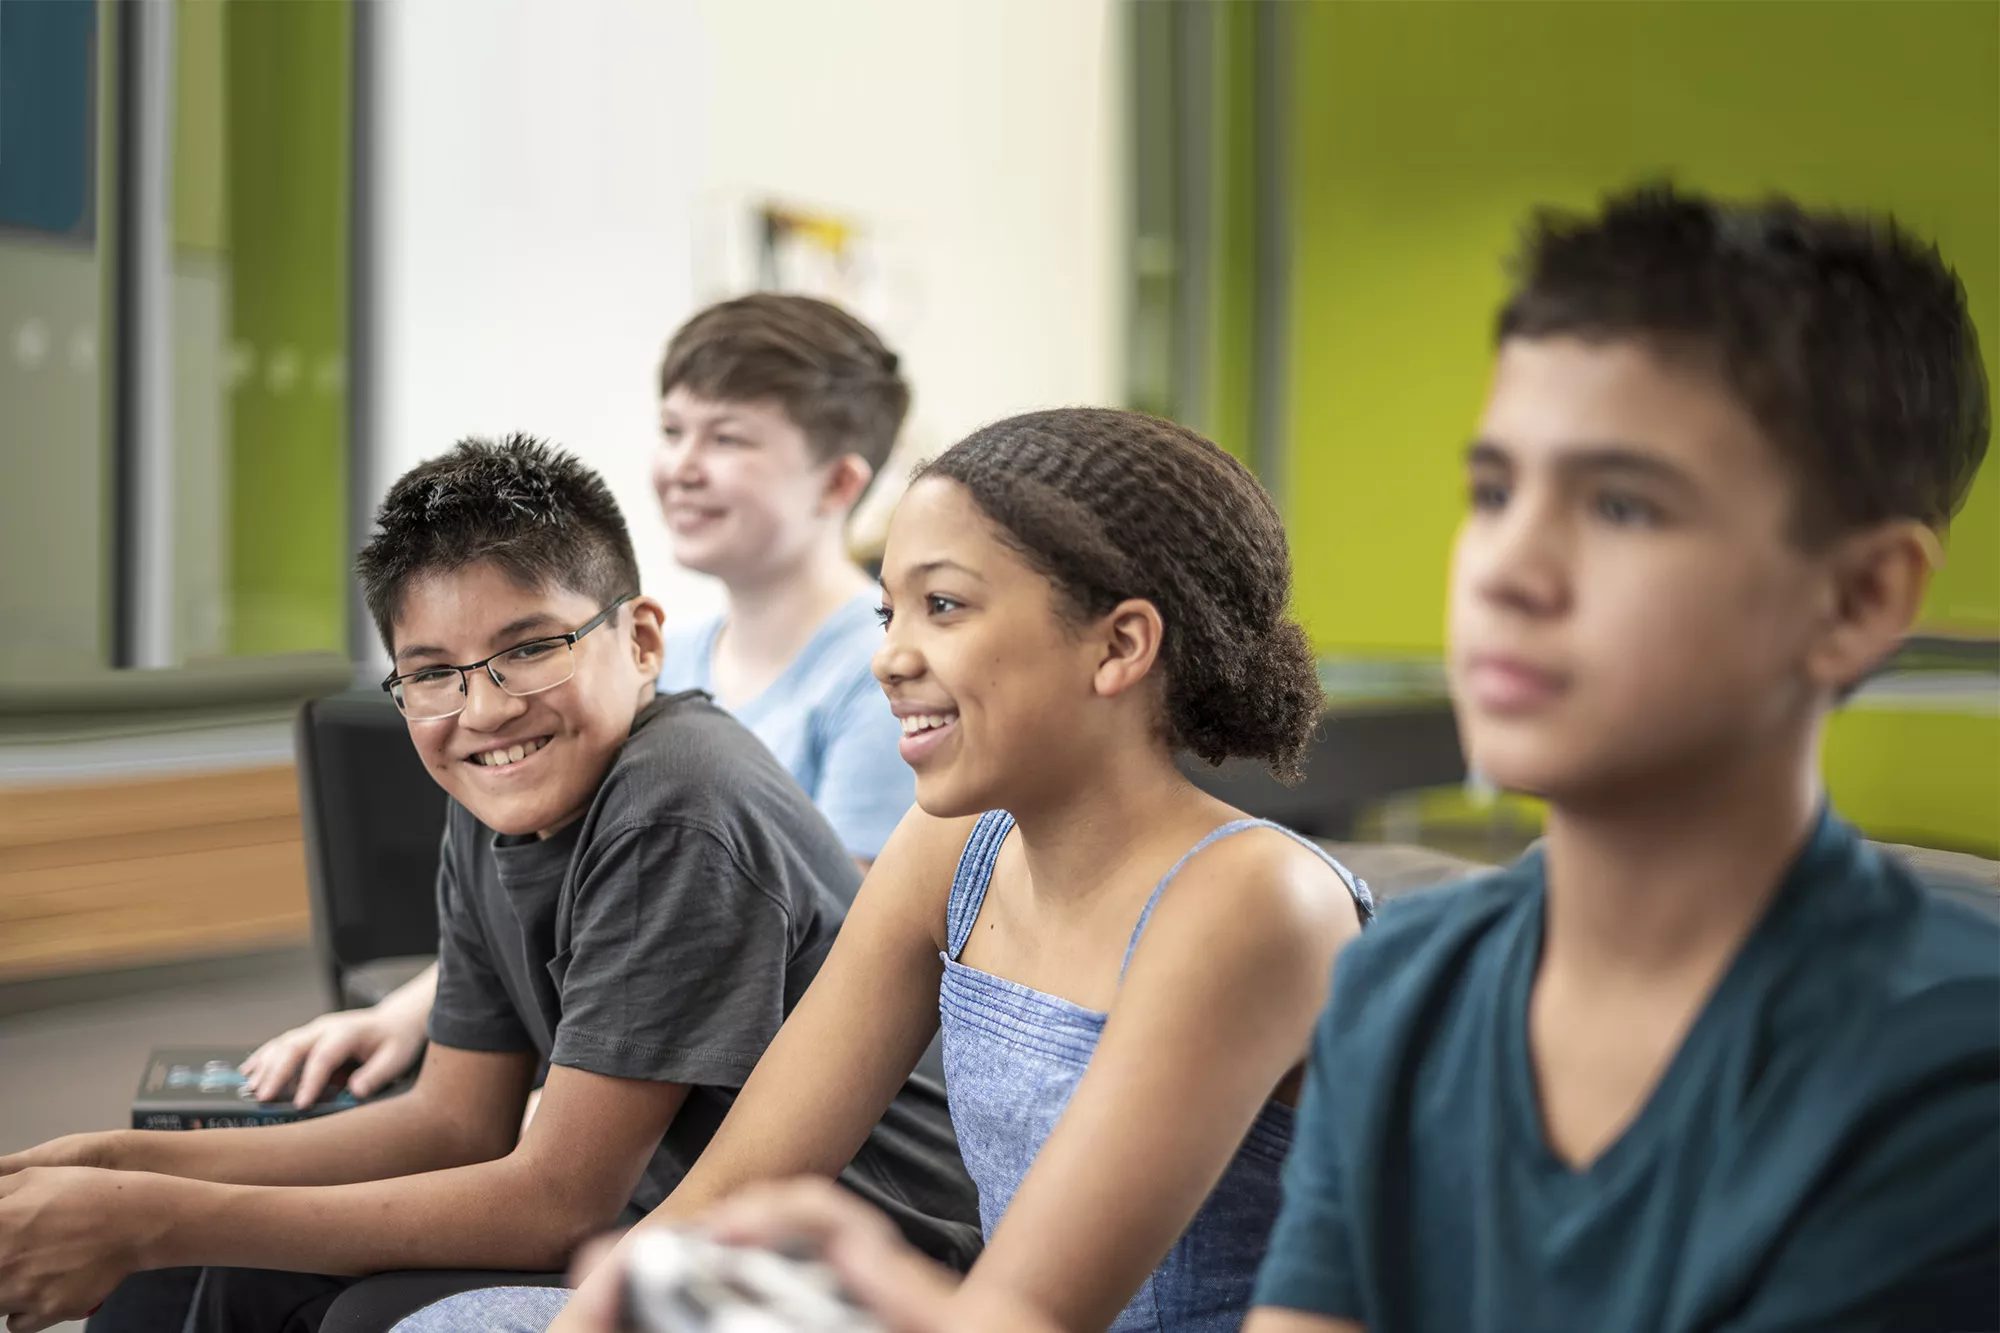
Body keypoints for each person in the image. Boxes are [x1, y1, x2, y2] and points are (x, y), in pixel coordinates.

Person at [390, 407, 1373, 1333]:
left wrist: (846, 1263)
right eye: (888, 612)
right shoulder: (953, 845)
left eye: (941, 606)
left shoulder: (1253, 901)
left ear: (1117, 644)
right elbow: (726, 1193)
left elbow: (1029, 1317)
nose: (888, 661)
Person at [0, 436, 977, 1333]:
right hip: (646, 1210)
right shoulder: (490, 800)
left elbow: (559, 1203)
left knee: (328, 1303)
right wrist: (117, 1167)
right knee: (189, 1271)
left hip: (838, 1258)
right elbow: (452, 1121)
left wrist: (151, 1217)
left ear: (641, 641)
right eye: (432, 672)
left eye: (528, 650)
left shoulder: (677, 802)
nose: (482, 710)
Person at [1243, 189, 1997, 1332]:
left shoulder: (1950, 1052)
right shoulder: (1400, 985)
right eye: (1492, 492)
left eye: (1622, 505)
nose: (1506, 569)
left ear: (1856, 597)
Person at [241, 293, 917, 1112]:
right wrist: (413, 1011)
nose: (682, 465)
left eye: (728, 438)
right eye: (673, 431)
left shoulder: (880, 673)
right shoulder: (678, 654)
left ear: (839, 480)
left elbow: (853, 949)